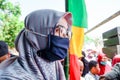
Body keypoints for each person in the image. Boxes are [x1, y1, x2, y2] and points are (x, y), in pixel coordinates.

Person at [0, 9, 72, 80]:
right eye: (59, 30)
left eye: (66, 33)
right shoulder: (11, 77)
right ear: (35, 35)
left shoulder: (56, 69)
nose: (65, 37)